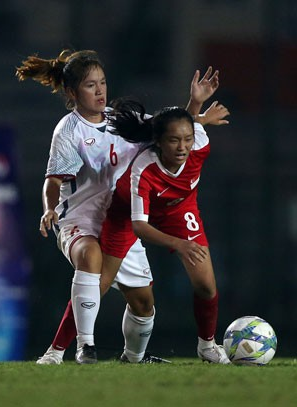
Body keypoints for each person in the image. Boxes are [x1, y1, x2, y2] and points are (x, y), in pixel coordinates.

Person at [16, 49, 221, 364]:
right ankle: (68, 351)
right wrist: (49, 208)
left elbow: (171, 129)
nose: (100, 91)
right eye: (90, 85)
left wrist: (196, 107)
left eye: (102, 83)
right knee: (90, 258)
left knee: (143, 304)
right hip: (80, 219)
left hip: (121, 218)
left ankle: (133, 360)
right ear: (72, 92)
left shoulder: (121, 120)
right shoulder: (69, 130)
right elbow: (53, 181)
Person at [98, 98, 231, 363]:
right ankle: (65, 348)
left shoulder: (200, 144)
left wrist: (196, 104)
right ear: (158, 141)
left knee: (206, 285)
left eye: (187, 140)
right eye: (174, 141)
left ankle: (207, 346)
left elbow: (188, 126)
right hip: (131, 213)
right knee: (97, 282)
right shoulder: (143, 167)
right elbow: (140, 226)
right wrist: (180, 244)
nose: (183, 147)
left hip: (180, 209)